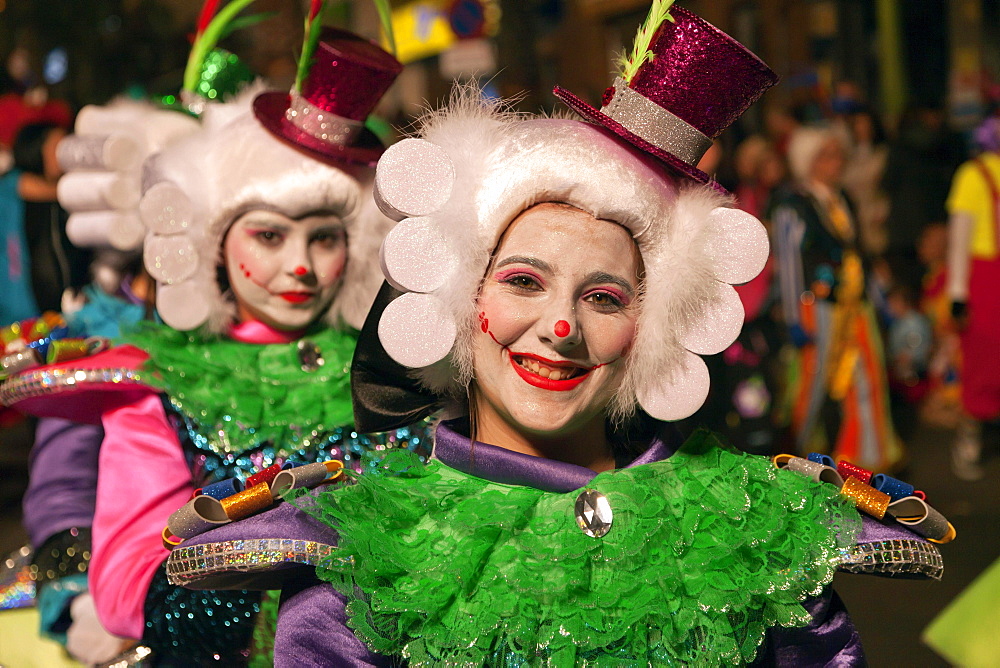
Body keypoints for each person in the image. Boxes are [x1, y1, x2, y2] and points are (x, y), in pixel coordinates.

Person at [162, 7, 950, 666]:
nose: (563, 327)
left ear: (650, 329)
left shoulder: (756, 537)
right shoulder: (362, 562)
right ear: (460, 297)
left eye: (604, 297)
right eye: (523, 282)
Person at [0, 27, 427, 666]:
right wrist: (267, 567)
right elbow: (122, 591)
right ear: (216, 243)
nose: (301, 267)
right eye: (269, 236)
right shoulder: (164, 381)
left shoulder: (390, 370)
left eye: (324, 238)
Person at [772, 125, 903, 471]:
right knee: (811, 385)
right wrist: (793, 317)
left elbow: (858, 255)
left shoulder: (842, 198)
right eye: (827, 155)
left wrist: (881, 300)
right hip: (817, 310)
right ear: (808, 161)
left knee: (867, 377)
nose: (836, 162)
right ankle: (795, 457)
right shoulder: (794, 205)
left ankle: (864, 458)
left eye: (838, 154)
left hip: (856, 306)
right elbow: (788, 264)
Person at [945, 115, 1000, 480]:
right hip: (986, 277)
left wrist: (957, 292)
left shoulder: (971, 173)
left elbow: (959, 237)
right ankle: (972, 439)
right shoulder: (973, 175)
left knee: (980, 361)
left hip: (983, 277)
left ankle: (971, 441)